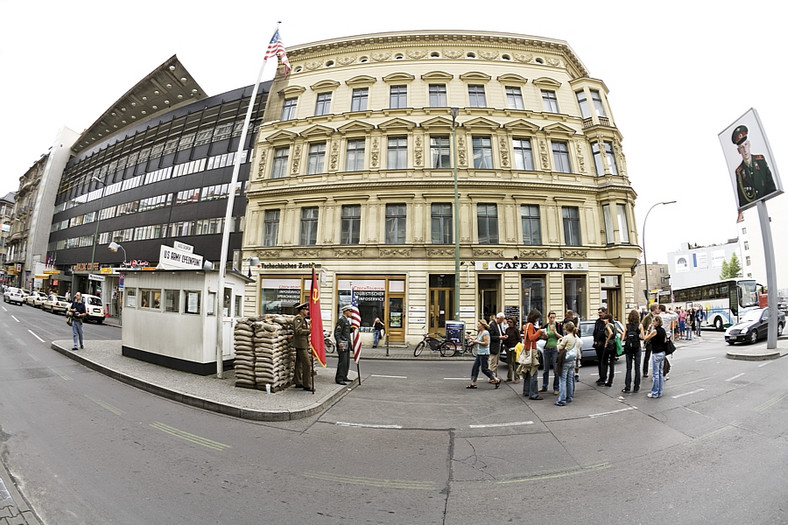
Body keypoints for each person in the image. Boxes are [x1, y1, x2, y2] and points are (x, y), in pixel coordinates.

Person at [731, 125, 777, 208]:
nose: (745, 150)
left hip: (768, 206)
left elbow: (772, 188)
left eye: (745, 145)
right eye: (741, 147)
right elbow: (742, 201)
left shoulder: (761, 161)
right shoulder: (739, 172)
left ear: (749, 144)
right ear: (738, 151)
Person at [466, 319, 501, 389]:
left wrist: (477, 342)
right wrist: (471, 338)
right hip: (479, 353)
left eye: (479, 324)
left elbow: (486, 343)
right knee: (475, 368)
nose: (477, 325)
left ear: (482, 325)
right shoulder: (480, 332)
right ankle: (474, 383)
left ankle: (495, 379)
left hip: (484, 353)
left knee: (484, 369)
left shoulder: (485, 333)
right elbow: (477, 340)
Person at [520, 309, 544, 400]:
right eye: (537, 318)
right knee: (533, 372)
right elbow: (531, 337)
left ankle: (526, 391)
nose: (538, 319)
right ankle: (533, 393)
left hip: (527, 349)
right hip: (532, 350)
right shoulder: (530, 326)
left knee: (527, 372)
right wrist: (540, 332)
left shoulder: (526, 325)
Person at [644, 315, 668, 398]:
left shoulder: (655, 331)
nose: (652, 322)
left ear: (657, 322)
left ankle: (654, 393)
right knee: (661, 373)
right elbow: (665, 340)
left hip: (656, 353)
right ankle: (660, 391)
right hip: (662, 352)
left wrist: (647, 330)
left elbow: (645, 338)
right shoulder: (663, 330)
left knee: (655, 374)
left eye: (654, 321)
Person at [555, 321, 578, 406]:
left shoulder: (566, 337)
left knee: (562, 380)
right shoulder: (574, 337)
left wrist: (558, 342)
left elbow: (559, 348)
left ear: (567, 329)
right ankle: (570, 397)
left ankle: (562, 400)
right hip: (572, 360)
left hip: (565, 360)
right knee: (569, 380)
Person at [621, 309, 643, 393]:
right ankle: (636, 387)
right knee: (637, 367)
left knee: (629, 368)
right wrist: (637, 337)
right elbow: (643, 337)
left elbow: (623, 338)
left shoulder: (627, 326)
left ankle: (627, 387)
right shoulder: (640, 325)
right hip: (637, 347)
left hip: (628, 348)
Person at [292, 302, 313, 391]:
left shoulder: (303, 319)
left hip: (303, 344)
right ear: (302, 310)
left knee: (299, 364)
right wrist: (309, 331)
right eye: (306, 309)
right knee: (307, 364)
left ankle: (298, 382)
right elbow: (298, 331)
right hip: (300, 344)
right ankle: (307, 384)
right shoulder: (298, 319)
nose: (307, 311)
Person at [540, 311, 562, 395]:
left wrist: (555, 332)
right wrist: (544, 336)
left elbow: (562, 337)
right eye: (551, 317)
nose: (552, 319)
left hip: (555, 349)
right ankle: (544, 386)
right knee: (545, 369)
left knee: (556, 369)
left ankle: (556, 388)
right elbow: (542, 337)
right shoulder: (546, 326)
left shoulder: (558, 325)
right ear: (548, 318)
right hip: (547, 348)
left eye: (554, 317)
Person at [598, 314, 620, 387]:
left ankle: (603, 379)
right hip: (614, 344)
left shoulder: (607, 326)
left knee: (604, 362)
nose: (603, 321)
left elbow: (610, 333)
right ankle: (610, 381)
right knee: (612, 363)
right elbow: (621, 333)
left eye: (604, 319)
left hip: (609, 345)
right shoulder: (613, 325)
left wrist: (607, 341)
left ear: (607, 319)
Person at [334, 305, 353, 385]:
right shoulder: (341, 320)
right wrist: (339, 342)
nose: (351, 313)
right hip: (343, 343)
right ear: (346, 311)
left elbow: (347, 332)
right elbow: (337, 332)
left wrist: (353, 329)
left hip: (347, 343)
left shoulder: (346, 320)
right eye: (350, 311)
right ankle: (339, 378)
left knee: (346, 362)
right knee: (342, 362)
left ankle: (344, 376)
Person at [488, 312, 507, 381]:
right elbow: (490, 336)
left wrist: (503, 335)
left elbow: (499, 333)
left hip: (498, 346)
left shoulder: (498, 325)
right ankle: (491, 378)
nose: (502, 321)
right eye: (501, 320)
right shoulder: (493, 325)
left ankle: (494, 377)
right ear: (498, 318)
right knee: (493, 363)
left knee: (495, 363)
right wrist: (499, 337)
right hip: (494, 346)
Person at [641, 303, 658, 378]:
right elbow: (642, 325)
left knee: (656, 356)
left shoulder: (657, 317)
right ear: (654, 309)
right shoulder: (648, 317)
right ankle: (645, 371)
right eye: (657, 308)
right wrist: (645, 333)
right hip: (649, 339)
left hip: (655, 338)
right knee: (647, 356)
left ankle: (656, 371)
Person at [504, 316, 522, 383]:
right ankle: (509, 377)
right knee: (509, 363)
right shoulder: (507, 329)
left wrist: (516, 347)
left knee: (516, 364)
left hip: (514, 348)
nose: (509, 323)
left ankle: (517, 377)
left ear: (514, 322)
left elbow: (519, 339)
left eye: (510, 322)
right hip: (508, 347)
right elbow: (505, 338)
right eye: (508, 322)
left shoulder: (516, 330)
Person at [592, 306, 608, 383]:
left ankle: (604, 377)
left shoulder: (607, 321)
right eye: (599, 313)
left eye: (601, 312)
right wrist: (595, 340)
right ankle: (600, 376)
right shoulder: (598, 321)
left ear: (605, 312)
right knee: (599, 361)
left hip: (605, 344)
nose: (599, 314)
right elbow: (595, 331)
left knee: (604, 361)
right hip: (598, 344)